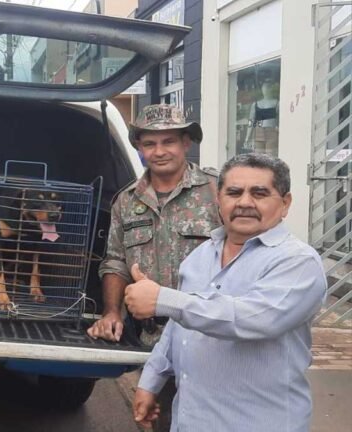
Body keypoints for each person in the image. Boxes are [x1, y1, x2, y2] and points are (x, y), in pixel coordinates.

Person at [129, 153, 327, 431]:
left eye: (259, 193)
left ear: (285, 203)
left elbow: (253, 319)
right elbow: (178, 328)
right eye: (234, 192)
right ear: (219, 200)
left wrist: (162, 299)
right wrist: (151, 380)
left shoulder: (298, 262)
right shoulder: (200, 256)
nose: (244, 202)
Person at [86, 104, 221, 431]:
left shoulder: (217, 191)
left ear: (186, 142)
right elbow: (115, 261)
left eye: (168, 141)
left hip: (210, 337)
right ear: (139, 148)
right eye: (149, 143)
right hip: (154, 342)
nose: (159, 152)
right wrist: (112, 313)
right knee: (161, 422)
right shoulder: (126, 200)